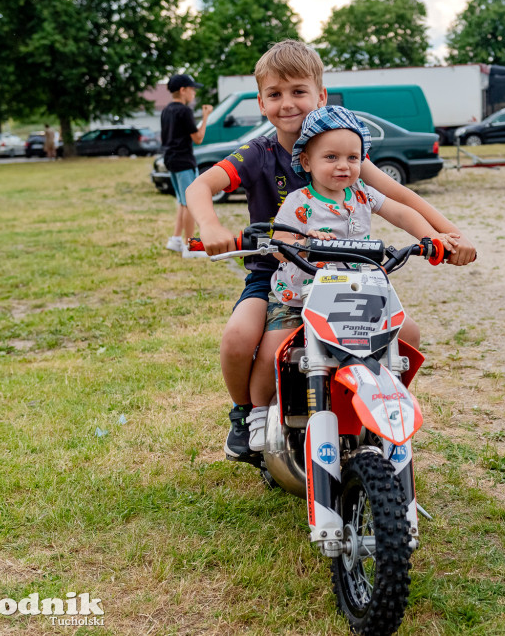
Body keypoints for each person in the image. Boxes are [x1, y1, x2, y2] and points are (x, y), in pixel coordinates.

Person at [186, 39, 477, 464]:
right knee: (238, 339)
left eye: (298, 91)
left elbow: (399, 199)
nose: (288, 103)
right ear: (261, 103)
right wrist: (210, 226)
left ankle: (372, 407)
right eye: (275, 94)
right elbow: (200, 187)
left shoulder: (345, 154)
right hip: (278, 277)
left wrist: (452, 236)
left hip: (350, 277)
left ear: (320, 95)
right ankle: (246, 411)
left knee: (407, 336)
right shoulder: (257, 153)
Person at [243, 106, 454, 450]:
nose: (344, 165)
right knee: (272, 352)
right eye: (331, 157)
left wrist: (431, 238)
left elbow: (402, 212)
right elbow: (282, 244)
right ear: (307, 162)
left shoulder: (363, 195)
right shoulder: (299, 203)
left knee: (409, 334)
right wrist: (305, 243)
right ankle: (258, 414)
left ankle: (384, 397)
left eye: (353, 157)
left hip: (355, 296)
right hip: (299, 297)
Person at [162, 74, 213, 258]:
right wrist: (206, 116)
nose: (194, 93)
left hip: (170, 159)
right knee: (190, 203)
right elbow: (198, 138)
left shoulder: (166, 110)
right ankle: (190, 246)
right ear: (183, 90)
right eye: (192, 89)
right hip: (184, 160)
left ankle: (176, 240)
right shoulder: (184, 111)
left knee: (183, 202)